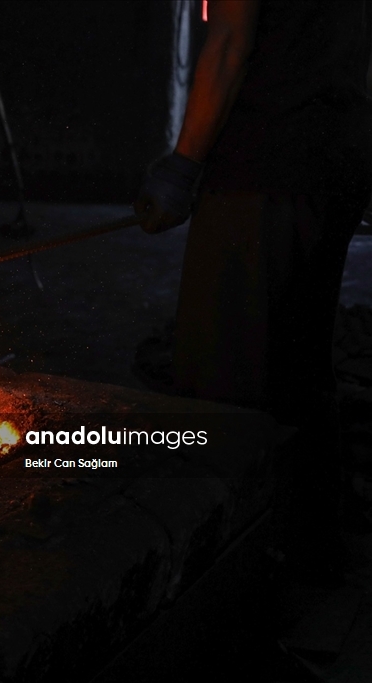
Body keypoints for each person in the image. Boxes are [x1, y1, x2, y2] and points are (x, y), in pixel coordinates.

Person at [134, 0, 372, 579]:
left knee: (225, 378)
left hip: (266, 161)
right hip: (333, 154)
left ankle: (230, 574)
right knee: (299, 364)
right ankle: (310, 552)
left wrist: (183, 165)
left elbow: (229, 42)